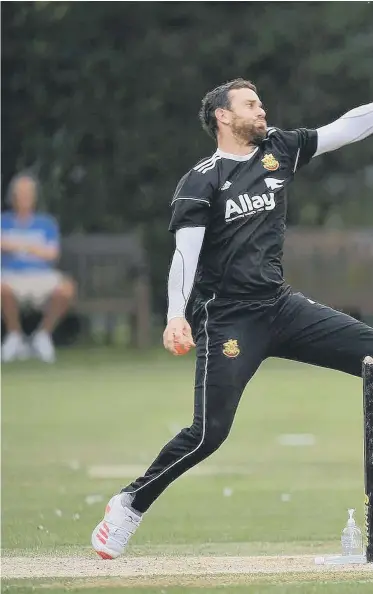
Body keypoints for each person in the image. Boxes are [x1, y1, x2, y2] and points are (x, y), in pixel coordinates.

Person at [92, 79, 373, 559]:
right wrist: (175, 316)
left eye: (260, 102)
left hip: (280, 307)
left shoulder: (279, 149)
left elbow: (343, 129)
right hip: (228, 321)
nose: (261, 109)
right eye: (250, 103)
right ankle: (129, 505)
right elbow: (185, 257)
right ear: (223, 116)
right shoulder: (201, 180)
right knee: (208, 434)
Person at [1, 172, 75, 363]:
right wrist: (33, 248)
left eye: (28, 193)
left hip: (41, 275)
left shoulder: (46, 223)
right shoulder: (4, 221)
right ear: (13, 197)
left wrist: (18, 245)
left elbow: (52, 254)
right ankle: (14, 336)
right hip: (11, 275)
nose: (24, 198)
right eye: (20, 193)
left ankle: (42, 336)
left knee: (66, 289)